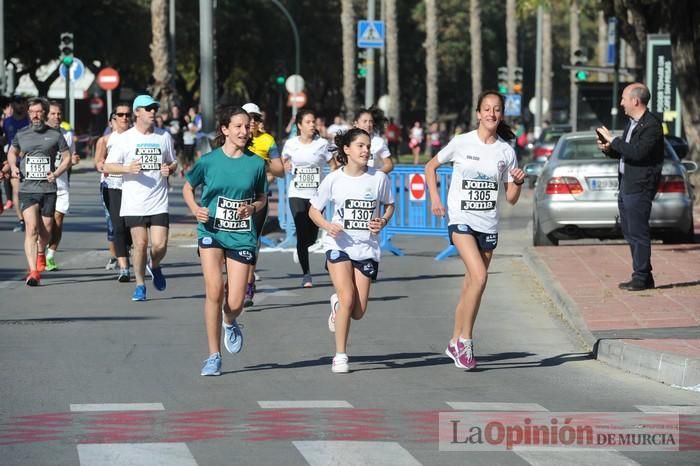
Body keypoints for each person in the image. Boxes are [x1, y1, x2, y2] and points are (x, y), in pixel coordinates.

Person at [424, 90, 526, 370]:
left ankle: (454, 340)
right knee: (480, 277)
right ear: (478, 113)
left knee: (473, 285)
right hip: (460, 219)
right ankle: (466, 343)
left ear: (501, 115)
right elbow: (430, 166)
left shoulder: (506, 151)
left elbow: (512, 198)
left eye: (497, 109)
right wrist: (435, 198)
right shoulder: (461, 142)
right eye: (487, 109)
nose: (492, 114)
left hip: (488, 224)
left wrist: (518, 181)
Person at [182, 105, 268, 376]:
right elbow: (187, 186)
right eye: (238, 126)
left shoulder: (256, 163)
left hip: (242, 235)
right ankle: (213, 355)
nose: (244, 131)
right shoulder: (209, 161)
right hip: (211, 232)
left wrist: (252, 208)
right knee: (214, 290)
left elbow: (262, 197)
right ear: (225, 130)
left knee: (236, 301)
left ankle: (230, 320)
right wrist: (195, 208)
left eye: (247, 126)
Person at [309, 128, 395, 373]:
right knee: (348, 298)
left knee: (358, 311)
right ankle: (340, 355)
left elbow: (389, 205)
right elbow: (314, 210)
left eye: (368, 146)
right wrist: (327, 225)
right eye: (360, 145)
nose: (366, 150)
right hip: (338, 245)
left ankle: (337, 306)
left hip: (366, 248)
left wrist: (383, 221)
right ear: (346, 150)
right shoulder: (334, 179)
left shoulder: (379, 179)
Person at [104, 95, 177, 301]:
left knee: (160, 245)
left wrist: (169, 169)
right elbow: (108, 166)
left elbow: (173, 162)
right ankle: (139, 284)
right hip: (135, 202)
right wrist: (128, 168)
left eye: (155, 108)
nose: (153, 111)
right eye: (148, 108)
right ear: (137, 112)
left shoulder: (164, 136)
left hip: (158, 200)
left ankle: (155, 265)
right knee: (140, 244)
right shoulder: (125, 138)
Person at [597, 83, 664, 291]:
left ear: (635, 101)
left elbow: (638, 153)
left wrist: (613, 140)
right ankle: (643, 274)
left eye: (624, 98)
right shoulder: (632, 123)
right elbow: (626, 152)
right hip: (626, 185)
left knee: (638, 232)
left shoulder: (651, 125)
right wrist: (609, 148)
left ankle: (641, 277)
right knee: (629, 231)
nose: (621, 103)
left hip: (640, 186)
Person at [6, 97, 72, 286]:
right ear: (28, 113)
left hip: (48, 189)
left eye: (39, 111)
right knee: (32, 228)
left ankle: (42, 252)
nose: (35, 115)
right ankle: (33, 271)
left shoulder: (55, 135)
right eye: (32, 112)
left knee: (46, 231)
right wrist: (13, 166)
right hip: (27, 188)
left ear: (44, 113)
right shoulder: (22, 133)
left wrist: (57, 172)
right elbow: (12, 152)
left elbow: (66, 157)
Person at [281, 108, 335, 288]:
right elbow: (282, 162)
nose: (312, 125)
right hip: (296, 193)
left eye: (314, 122)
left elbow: (333, 166)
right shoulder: (290, 144)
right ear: (299, 125)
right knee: (301, 230)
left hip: (317, 196)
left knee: (311, 236)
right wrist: (286, 164)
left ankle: (302, 245)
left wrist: (333, 184)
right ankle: (306, 274)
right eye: (308, 122)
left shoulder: (322, 144)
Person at [241, 102, 284, 306]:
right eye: (248, 118)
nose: (252, 123)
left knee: (251, 242)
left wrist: (265, 172)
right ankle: (235, 278)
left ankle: (248, 284)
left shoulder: (267, 141)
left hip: (258, 198)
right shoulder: (234, 139)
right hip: (234, 198)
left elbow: (279, 170)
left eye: (256, 119)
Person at [95, 104, 133, 281]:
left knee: (130, 226)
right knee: (115, 224)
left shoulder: (136, 137)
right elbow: (99, 163)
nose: (124, 118)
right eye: (120, 115)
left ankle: (127, 249)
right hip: (111, 185)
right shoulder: (105, 140)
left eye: (127, 115)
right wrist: (110, 167)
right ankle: (123, 266)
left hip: (133, 186)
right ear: (114, 119)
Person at [44, 101, 80, 271]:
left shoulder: (66, 134)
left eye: (59, 114)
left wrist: (73, 161)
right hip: (41, 186)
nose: (57, 117)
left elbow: (70, 159)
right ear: (46, 115)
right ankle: (38, 253)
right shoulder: (38, 134)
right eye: (53, 113)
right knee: (46, 223)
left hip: (61, 184)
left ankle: (50, 256)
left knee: (58, 221)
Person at [4, 98, 30, 232]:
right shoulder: (7, 122)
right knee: (17, 190)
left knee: (30, 191)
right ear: (13, 105)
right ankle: (22, 221)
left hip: (30, 160)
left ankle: (32, 217)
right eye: (17, 103)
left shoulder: (30, 121)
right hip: (14, 161)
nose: (20, 106)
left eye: (22, 104)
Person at [352, 108, 394, 174]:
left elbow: (389, 165)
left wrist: (375, 176)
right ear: (356, 123)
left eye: (370, 121)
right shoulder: (349, 141)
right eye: (365, 121)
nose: (368, 125)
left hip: (372, 183)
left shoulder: (379, 142)